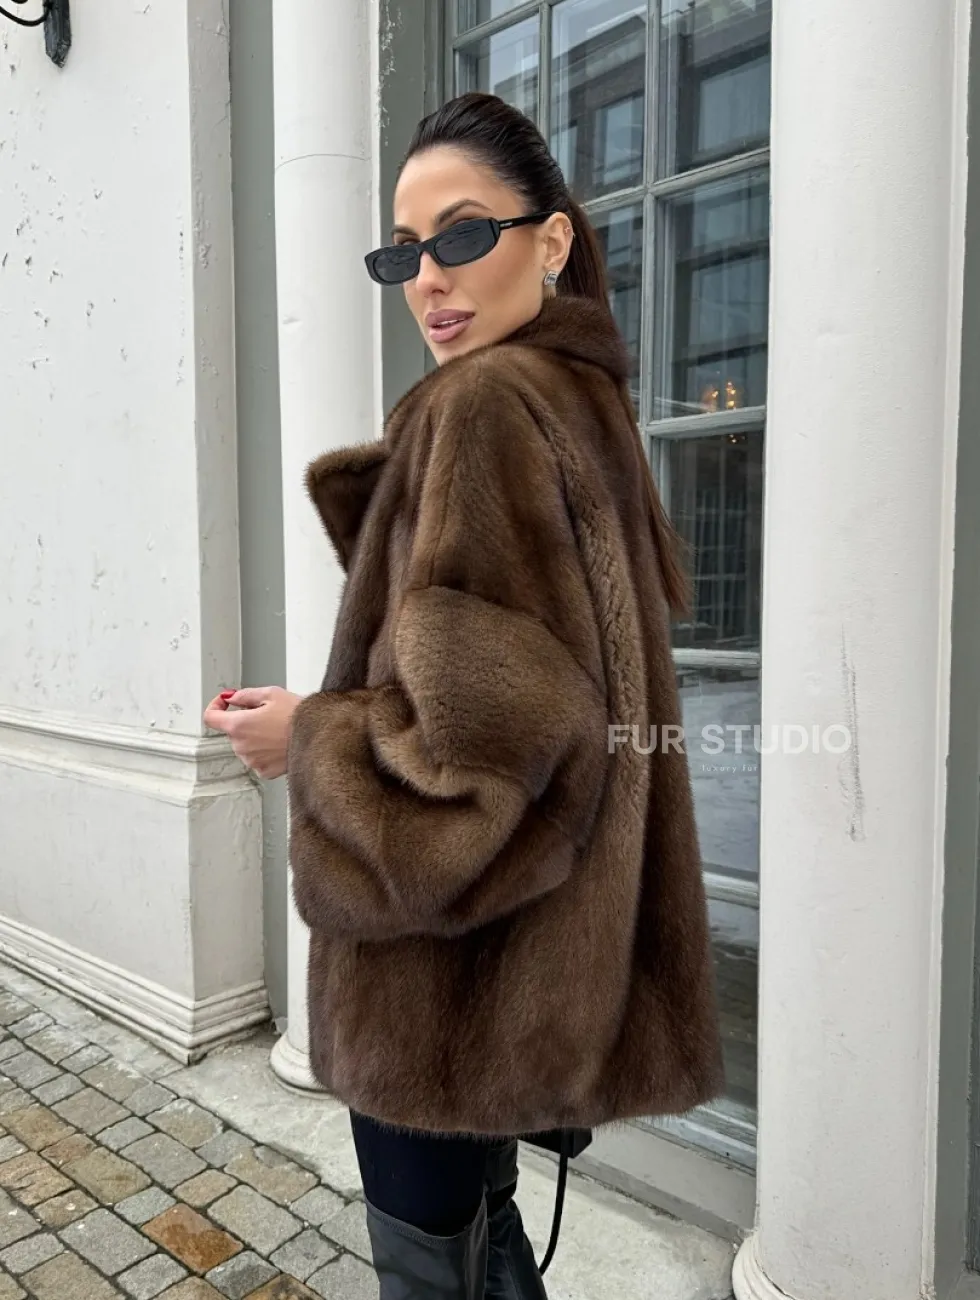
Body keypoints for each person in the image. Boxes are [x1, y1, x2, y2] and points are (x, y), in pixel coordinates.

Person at [204, 92, 723, 1299]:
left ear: (550, 240)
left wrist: (307, 737)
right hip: (520, 969)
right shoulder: (579, 403)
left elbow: (475, 775)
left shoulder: (486, 405)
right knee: (482, 1244)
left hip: (440, 983)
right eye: (404, 251)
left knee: (433, 1272)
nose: (429, 278)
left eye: (463, 234)